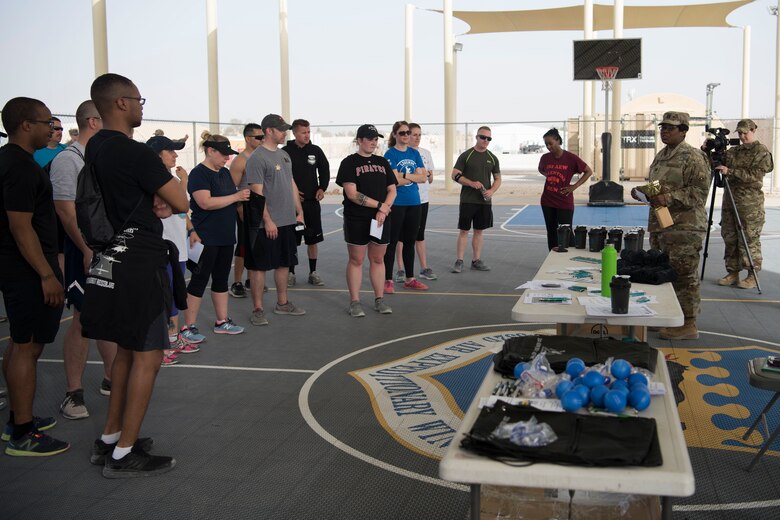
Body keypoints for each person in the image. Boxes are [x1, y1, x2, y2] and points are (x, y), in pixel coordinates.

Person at [82, 73, 189, 477]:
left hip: (112, 254)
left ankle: (110, 437)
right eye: (139, 99)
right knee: (148, 355)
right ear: (122, 104)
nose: (143, 106)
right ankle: (125, 453)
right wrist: (172, 187)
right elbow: (178, 200)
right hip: (140, 260)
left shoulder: (95, 148)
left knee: (126, 351)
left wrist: (152, 202)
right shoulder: (135, 152)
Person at [0, 97, 67, 456]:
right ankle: (22, 432)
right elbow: (20, 226)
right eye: (46, 123)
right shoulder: (21, 168)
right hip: (27, 271)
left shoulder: (14, 162)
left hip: (20, 269)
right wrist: (46, 274)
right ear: (26, 125)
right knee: (27, 347)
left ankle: (17, 419)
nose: (51, 128)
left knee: (20, 343)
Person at [50, 100, 117, 419]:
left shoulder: (100, 157)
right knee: (82, 317)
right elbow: (66, 211)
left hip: (106, 249)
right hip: (83, 251)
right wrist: (87, 248)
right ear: (94, 122)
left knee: (107, 314)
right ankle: (72, 393)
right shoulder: (68, 160)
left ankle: (111, 378)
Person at [631, 111, 710, 341]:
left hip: (684, 228)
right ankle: (670, 316)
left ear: (683, 131)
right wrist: (644, 192)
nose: (664, 131)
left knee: (684, 275)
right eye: (662, 127)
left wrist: (668, 198)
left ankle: (688, 323)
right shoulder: (662, 155)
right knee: (664, 272)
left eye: (670, 127)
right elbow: (660, 185)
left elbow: (699, 192)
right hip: (662, 226)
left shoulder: (693, 157)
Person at [180, 132, 249, 342]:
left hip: (226, 236)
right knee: (199, 280)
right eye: (223, 154)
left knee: (221, 280)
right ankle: (188, 326)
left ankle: (222, 321)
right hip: (205, 238)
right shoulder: (199, 174)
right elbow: (205, 202)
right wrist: (236, 196)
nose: (227, 159)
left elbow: (230, 202)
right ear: (210, 151)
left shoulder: (225, 174)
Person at [244, 114, 306, 326]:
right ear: (269, 131)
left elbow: (291, 183)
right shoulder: (257, 158)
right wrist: (268, 221)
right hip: (266, 224)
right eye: (281, 130)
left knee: (283, 263)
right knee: (259, 266)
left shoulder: (284, 155)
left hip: (287, 220)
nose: (285, 133)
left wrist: (299, 210)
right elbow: (256, 194)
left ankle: (283, 303)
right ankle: (258, 309)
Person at [146, 135, 200, 365]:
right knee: (163, 296)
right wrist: (184, 182)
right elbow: (179, 204)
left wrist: (191, 229)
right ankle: (162, 345)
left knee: (174, 294)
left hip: (178, 247)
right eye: (171, 151)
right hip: (164, 247)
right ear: (158, 155)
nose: (176, 155)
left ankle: (173, 338)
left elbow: (181, 213)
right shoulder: (157, 180)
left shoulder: (169, 179)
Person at [336, 124, 397, 317]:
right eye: (369, 139)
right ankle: (355, 302)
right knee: (357, 260)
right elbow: (352, 194)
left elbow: (392, 189)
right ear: (359, 140)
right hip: (357, 218)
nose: (373, 142)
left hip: (380, 218)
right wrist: (380, 206)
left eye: (376, 139)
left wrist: (384, 209)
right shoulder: (349, 162)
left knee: (378, 259)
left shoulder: (382, 161)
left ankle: (379, 299)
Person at [711, 119, 773, 289]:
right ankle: (732, 272)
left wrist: (730, 171)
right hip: (730, 201)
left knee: (749, 239)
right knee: (729, 236)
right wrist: (710, 151)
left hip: (750, 204)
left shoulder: (761, 151)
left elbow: (755, 175)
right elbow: (715, 163)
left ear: (754, 130)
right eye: (740, 133)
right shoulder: (734, 151)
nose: (743, 136)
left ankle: (752, 275)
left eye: (746, 132)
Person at [282, 119, 330, 287]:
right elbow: (281, 177)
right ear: (294, 133)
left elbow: (324, 170)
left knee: (313, 239)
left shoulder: (315, 150)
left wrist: (322, 188)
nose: (307, 135)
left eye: (308, 132)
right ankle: (290, 273)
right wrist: (291, 193)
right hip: (292, 206)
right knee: (292, 240)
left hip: (311, 204)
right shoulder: (285, 152)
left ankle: (313, 272)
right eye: (303, 132)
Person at [383, 121, 429, 293]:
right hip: (397, 204)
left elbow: (423, 177)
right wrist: (412, 176)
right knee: (392, 242)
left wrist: (403, 175)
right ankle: (388, 279)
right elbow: (394, 181)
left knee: (410, 241)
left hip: (414, 203)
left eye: (408, 133)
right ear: (395, 135)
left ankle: (410, 278)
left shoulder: (414, 153)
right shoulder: (390, 154)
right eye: (402, 133)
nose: (406, 136)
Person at [450, 126, 501, 273]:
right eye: (483, 137)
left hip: (484, 202)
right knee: (464, 231)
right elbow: (454, 175)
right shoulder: (466, 155)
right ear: (477, 137)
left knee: (479, 231)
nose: (486, 141)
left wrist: (491, 190)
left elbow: (498, 179)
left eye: (488, 138)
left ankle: (476, 260)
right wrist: (471, 183)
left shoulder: (492, 158)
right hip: (468, 200)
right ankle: (459, 261)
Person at [538, 128, 593, 251]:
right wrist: (549, 175)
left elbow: (588, 171)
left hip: (564, 201)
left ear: (558, 141)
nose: (548, 146)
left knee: (566, 231)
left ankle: (570, 257)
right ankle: (552, 258)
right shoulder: (545, 158)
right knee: (551, 231)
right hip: (547, 201)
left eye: (550, 143)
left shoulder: (571, 158)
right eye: (546, 144)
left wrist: (574, 186)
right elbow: (541, 169)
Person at [229, 123, 264, 298]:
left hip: (260, 208)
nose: (261, 140)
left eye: (262, 137)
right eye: (258, 137)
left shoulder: (262, 157)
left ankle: (252, 279)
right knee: (243, 247)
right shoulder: (240, 161)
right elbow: (230, 188)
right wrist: (240, 207)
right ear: (248, 138)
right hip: (245, 208)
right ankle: (237, 282)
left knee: (256, 245)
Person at [400, 123, 437, 281]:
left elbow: (430, 179)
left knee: (419, 235)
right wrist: (415, 176)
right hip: (404, 200)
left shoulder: (426, 154)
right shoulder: (402, 154)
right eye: (414, 134)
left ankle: (424, 267)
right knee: (401, 237)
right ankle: (401, 270)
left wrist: (427, 174)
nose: (417, 138)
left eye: (419, 135)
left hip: (422, 200)